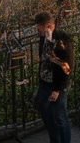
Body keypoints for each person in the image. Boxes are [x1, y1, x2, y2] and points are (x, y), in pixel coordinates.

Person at [33, 11, 74, 143]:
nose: (38, 32)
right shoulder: (44, 37)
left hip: (56, 87)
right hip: (44, 83)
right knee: (47, 117)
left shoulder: (62, 40)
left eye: (40, 29)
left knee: (60, 117)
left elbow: (67, 67)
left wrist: (57, 89)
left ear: (49, 26)